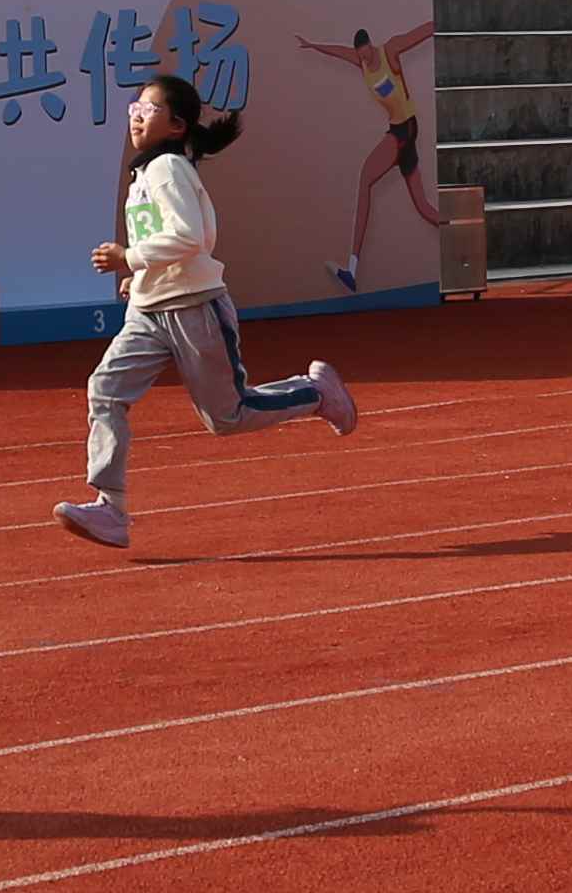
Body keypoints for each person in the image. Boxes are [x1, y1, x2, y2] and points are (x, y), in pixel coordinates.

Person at [60, 72, 361, 548]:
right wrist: (138, 276)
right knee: (106, 388)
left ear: (177, 126)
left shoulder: (169, 169)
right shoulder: (146, 173)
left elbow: (190, 237)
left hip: (195, 308)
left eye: (149, 108)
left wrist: (129, 258)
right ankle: (110, 507)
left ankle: (314, 393)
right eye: (134, 106)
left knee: (228, 415)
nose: (136, 115)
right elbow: (166, 243)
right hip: (149, 311)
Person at [300, 23, 439, 290]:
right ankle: (458, 228)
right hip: (400, 133)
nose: (365, 60)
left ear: (371, 45)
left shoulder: (390, 50)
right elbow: (339, 52)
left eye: (367, 54)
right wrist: (313, 45)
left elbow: (420, 33)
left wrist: (442, 22)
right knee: (423, 208)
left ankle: (351, 268)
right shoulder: (361, 61)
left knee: (365, 179)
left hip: (404, 129)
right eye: (361, 57)